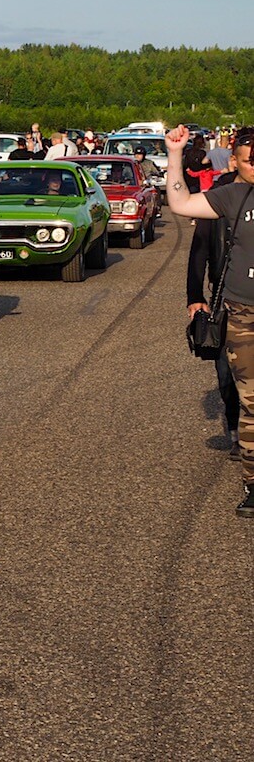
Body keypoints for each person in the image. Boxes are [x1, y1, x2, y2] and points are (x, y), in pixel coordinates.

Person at [165, 124, 254, 517]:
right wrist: (174, 154)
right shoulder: (234, 195)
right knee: (251, 402)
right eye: (251, 160)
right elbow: (181, 204)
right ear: (236, 161)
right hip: (243, 313)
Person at [187, 209, 241, 461]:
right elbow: (199, 252)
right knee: (226, 370)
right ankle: (236, 432)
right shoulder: (217, 202)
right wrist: (195, 296)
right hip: (225, 300)